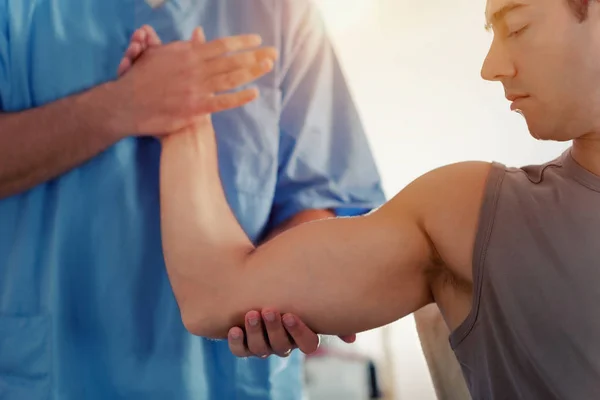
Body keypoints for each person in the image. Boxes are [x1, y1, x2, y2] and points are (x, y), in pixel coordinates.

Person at [157, 0, 600, 398]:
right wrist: (184, 116)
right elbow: (213, 296)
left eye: (517, 27)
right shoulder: (473, 214)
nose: (491, 66)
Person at [0, 2, 385, 399]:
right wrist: (121, 105)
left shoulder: (282, 12)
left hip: (231, 381)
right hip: (56, 371)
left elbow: (321, 194)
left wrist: (289, 288)